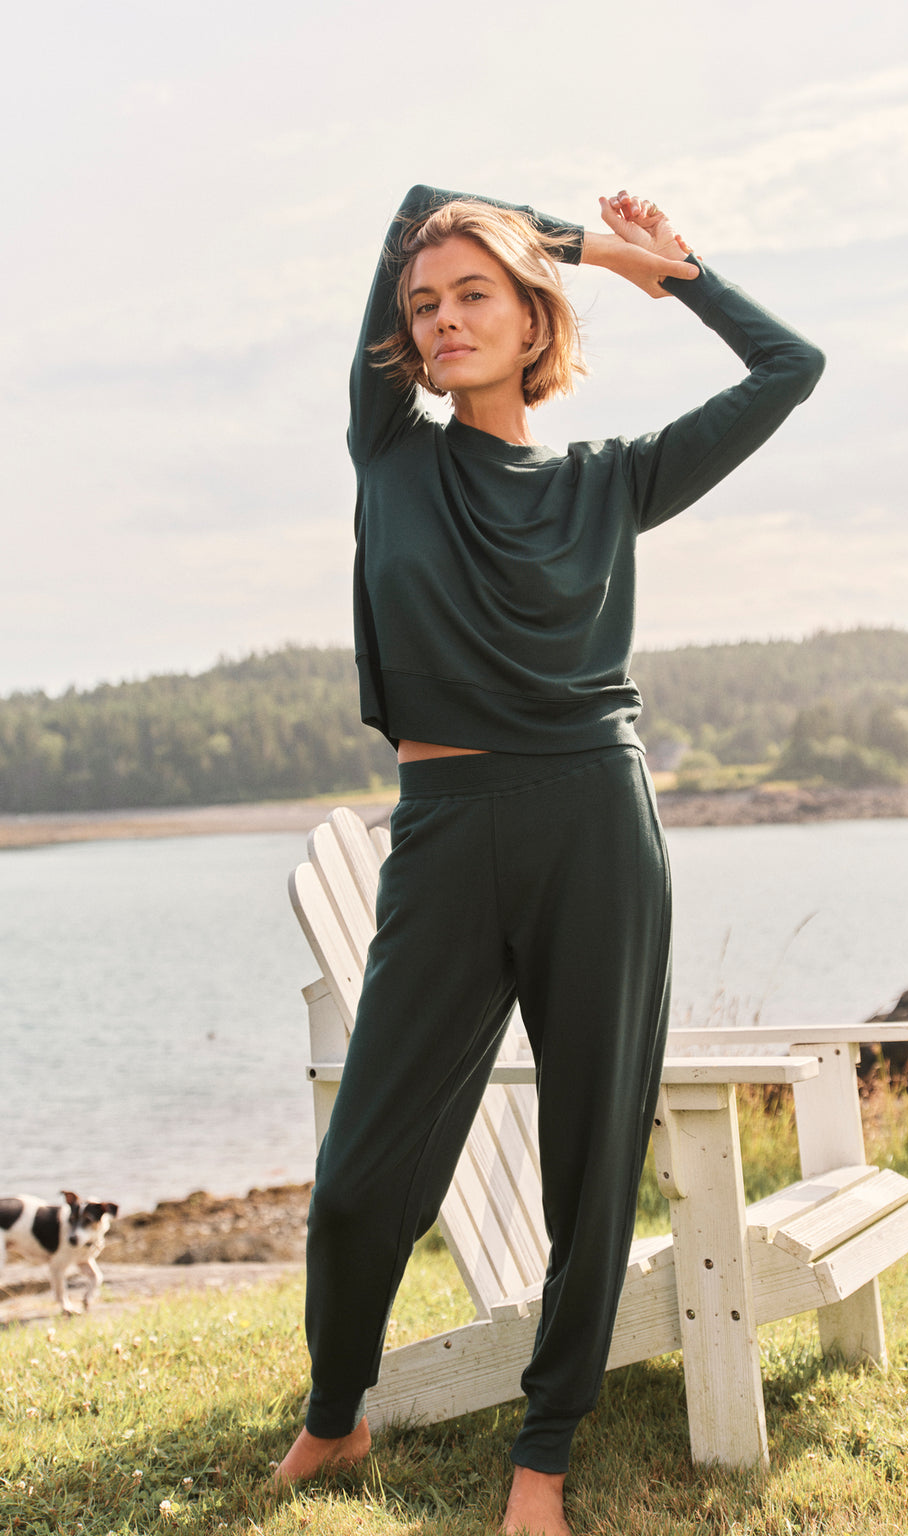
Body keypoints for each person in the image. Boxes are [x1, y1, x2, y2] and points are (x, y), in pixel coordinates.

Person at [273, 184, 825, 1534]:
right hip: (449, 835)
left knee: (589, 1153)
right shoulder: (390, 452)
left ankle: (546, 1452)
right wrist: (578, 241)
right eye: (425, 303)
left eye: (474, 296)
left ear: (531, 324)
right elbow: (414, 198)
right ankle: (333, 1416)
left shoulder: (610, 481)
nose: (442, 317)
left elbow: (791, 365)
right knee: (359, 1182)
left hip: (597, 826)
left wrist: (671, 274)